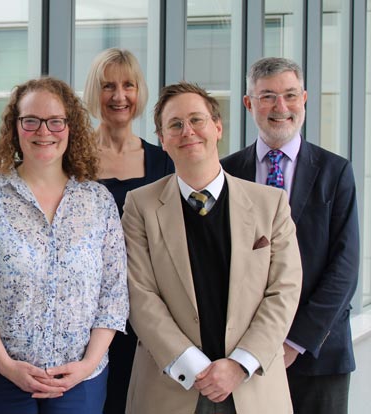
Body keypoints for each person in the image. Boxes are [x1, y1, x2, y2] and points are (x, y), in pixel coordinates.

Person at [0, 77, 129, 414]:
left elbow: (114, 293)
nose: (43, 131)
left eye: (55, 121)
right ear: (15, 128)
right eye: (30, 120)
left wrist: (88, 364)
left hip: (79, 378)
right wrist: (5, 365)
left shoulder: (98, 201)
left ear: (70, 126)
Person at [122, 82, 302, 413]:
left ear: (217, 127)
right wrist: (194, 367)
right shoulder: (140, 206)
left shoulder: (270, 204)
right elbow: (139, 294)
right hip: (171, 385)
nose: (187, 131)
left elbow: (285, 290)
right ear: (162, 139)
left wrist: (239, 364)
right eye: (175, 125)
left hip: (252, 386)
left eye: (197, 120)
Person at [221, 57, 359, 414]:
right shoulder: (227, 172)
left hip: (318, 353)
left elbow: (344, 269)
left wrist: (294, 342)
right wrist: (255, 346)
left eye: (290, 95)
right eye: (267, 96)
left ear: (305, 99)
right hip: (244, 356)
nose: (280, 107)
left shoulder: (336, 171)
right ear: (249, 103)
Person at [82, 47, 174, 414]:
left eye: (128, 85)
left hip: (147, 307)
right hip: (87, 312)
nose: (119, 96)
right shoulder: (72, 157)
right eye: (108, 86)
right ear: (94, 92)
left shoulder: (164, 159)